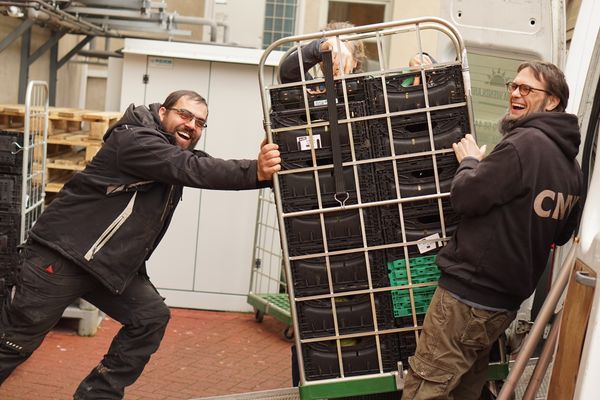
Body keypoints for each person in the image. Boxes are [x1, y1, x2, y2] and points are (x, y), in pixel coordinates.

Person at [0, 90, 281, 399]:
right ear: (163, 112)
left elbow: (198, 163)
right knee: (14, 342)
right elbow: (188, 167)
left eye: (200, 122)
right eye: (184, 115)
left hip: (102, 266)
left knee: (149, 317)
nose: (191, 125)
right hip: (61, 258)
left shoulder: (165, 150)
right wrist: (254, 170)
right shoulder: (134, 140)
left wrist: (260, 173)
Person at [401, 61, 584, 399]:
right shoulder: (572, 169)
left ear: (553, 101)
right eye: (513, 86)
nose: (515, 92)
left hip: (464, 299)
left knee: (425, 389)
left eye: (527, 89)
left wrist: (470, 162)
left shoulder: (522, 146)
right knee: (463, 393)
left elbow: (466, 196)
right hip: (502, 307)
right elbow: (560, 234)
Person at [278, 21, 366, 85]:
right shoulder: (311, 91)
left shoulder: (368, 92)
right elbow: (288, 72)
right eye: (329, 53)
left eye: (342, 54)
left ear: (355, 62)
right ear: (319, 61)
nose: (336, 60)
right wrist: (322, 46)